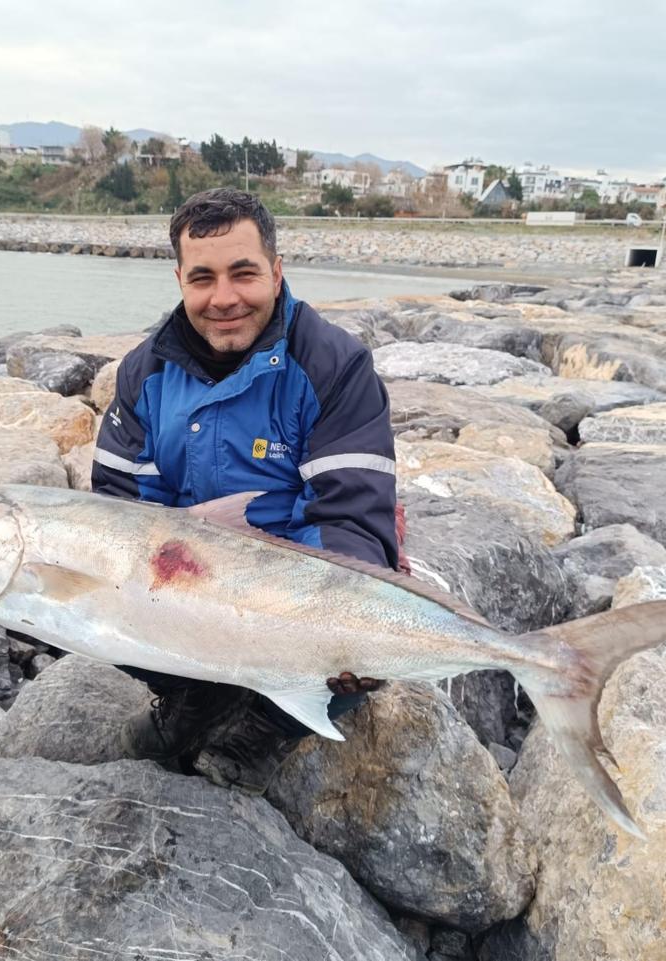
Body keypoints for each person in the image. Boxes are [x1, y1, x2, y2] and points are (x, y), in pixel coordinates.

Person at [91, 188, 400, 795]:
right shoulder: (144, 372)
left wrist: (341, 622)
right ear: (179, 278)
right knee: (94, 604)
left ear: (277, 271)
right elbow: (118, 509)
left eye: (244, 273)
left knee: (371, 647)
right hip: (186, 584)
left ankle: (265, 725)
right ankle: (186, 696)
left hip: (298, 585)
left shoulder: (334, 366)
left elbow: (351, 518)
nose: (224, 298)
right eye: (202, 278)